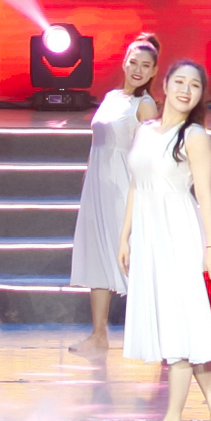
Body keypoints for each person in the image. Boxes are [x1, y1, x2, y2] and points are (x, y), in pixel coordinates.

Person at [121, 60, 211, 421]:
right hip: (149, 235)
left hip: (179, 233)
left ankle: (172, 420)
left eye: (195, 85)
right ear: (166, 85)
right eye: (180, 82)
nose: (186, 90)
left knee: (179, 322)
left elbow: (205, 197)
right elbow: (136, 185)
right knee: (182, 324)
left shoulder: (195, 136)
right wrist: (125, 236)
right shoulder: (145, 130)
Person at [69, 32, 159, 355]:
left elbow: (151, 153)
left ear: (153, 72)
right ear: (124, 63)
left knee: (132, 259)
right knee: (98, 257)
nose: (137, 70)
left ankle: (161, 334)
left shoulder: (144, 105)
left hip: (124, 187)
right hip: (98, 187)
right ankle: (98, 335)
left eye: (145, 65)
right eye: (133, 62)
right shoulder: (111, 97)